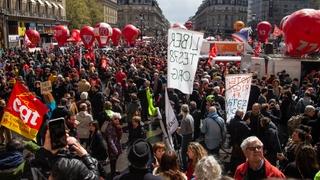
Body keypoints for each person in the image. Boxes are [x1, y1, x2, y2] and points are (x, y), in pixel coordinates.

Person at [36, 129, 100, 180]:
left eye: (73, 146)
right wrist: (86, 155)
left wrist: (45, 150)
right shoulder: (75, 164)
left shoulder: (48, 162)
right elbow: (94, 178)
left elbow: (37, 164)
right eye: (69, 146)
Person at [228, 109, 251, 174]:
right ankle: (239, 171)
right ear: (241, 115)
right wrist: (248, 124)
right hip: (240, 143)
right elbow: (249, 131)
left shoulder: (231, 121)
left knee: (233, 157)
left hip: (233, 142)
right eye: (242, 114)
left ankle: (231, 170)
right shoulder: (243, 124)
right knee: (240, 158)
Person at [105, 112, 123, 178]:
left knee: (115, 160)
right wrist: (115, 149)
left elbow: (119, 137)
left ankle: (114, 170)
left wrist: (120, 129)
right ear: (112, 119)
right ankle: (113, 174)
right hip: (112, 147)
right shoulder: (110, 127)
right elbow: (110, 140)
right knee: (112, 161)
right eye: (115, 119)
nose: (117, 120)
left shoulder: (117, 126)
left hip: (116, 145)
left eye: (118, 119)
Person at [177, 104, 194, 171]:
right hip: (191, 135)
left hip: (186, 137)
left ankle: (185, 167)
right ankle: (190, 165)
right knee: (189, 151)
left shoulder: (184, 119)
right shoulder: (190, 116)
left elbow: (183, 131)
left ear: (182, 110)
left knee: (183, 152)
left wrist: (178, 130)